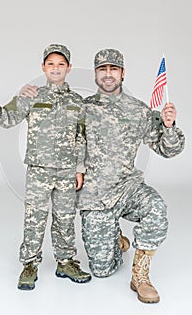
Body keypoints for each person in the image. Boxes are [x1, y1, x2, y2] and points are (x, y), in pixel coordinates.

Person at [20, 48, 185, 303]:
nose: (108, 75)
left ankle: (140, 275)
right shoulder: (81, 108)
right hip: (95, 197)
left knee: (156, 208)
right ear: (96, 74)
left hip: (128, 189)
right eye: (102, 69)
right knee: (102, 270)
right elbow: (53, 126)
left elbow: (167, 149)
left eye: (114, 69)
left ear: (122, 73)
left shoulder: (138, 110)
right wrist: (28, 94)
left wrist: (169, 126)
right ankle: (114, 236)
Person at [0, 43, 91, 291]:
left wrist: (80, 168)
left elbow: (81, 137)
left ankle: (66, 261)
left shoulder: (77, 101)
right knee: (34, 218)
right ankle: (29, 264)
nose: (56, 68)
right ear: (43, 68)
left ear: (69, 68)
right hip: (39, 171)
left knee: (65, 218)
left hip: (66, 172)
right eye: (51, 64)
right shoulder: (31, 96)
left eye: (61, 64)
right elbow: (6, 119)